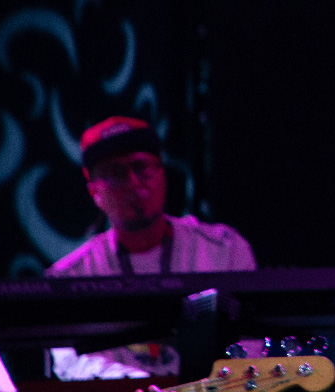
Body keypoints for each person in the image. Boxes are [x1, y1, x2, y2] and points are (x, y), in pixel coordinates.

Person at [45, 116, 257, 380]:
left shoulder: (225, 249)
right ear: (94, 192)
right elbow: (72, 364)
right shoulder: (70, 276)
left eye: (141, 167)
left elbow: (251, 345)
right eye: (116, 173)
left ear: (162, 173)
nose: (134, 182)